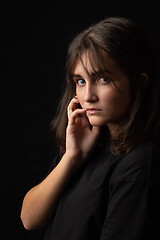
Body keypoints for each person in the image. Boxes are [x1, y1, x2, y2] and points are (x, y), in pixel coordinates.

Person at [20, 17, 160, 240]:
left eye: (103, 79)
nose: (88, 96)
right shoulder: (90, 141)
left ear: (139, 83)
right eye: (80, 81)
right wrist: (72, 157)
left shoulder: (139, 163)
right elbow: (29, 219)